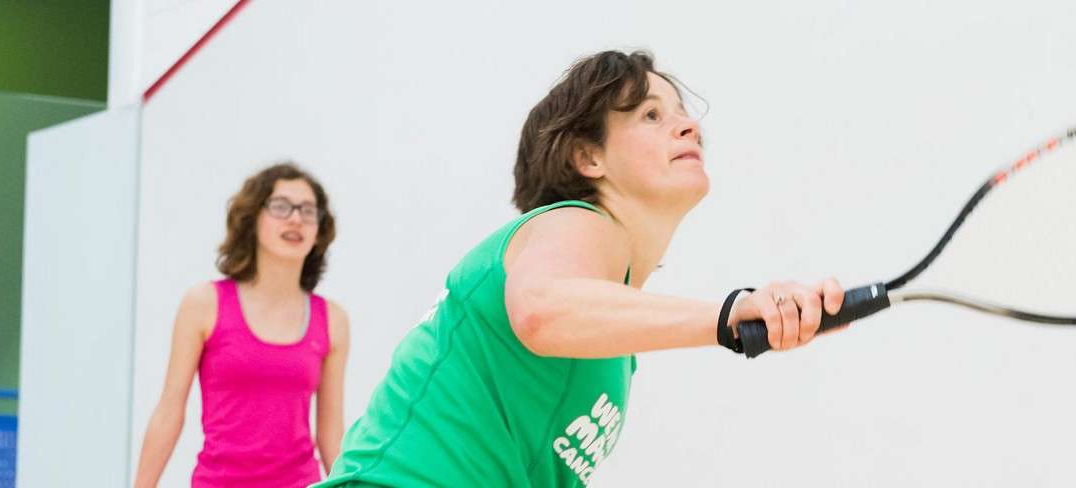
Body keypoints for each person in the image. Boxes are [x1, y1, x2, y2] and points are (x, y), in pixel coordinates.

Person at [315, 51, 843, 487]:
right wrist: (729, 314)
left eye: (683, 112)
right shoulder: (576, 221)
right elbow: (542, 313)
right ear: (589, 158)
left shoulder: (615, 338)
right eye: (651, 115)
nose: (689, 126)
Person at [135, 163, 351, 488]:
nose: (295, 218)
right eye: (281, 207)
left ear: (319, 231)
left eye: (309, 211)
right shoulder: (203, 304)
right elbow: (169, 411)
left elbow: (331, 435)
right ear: (253, 220)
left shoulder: (332, 319)